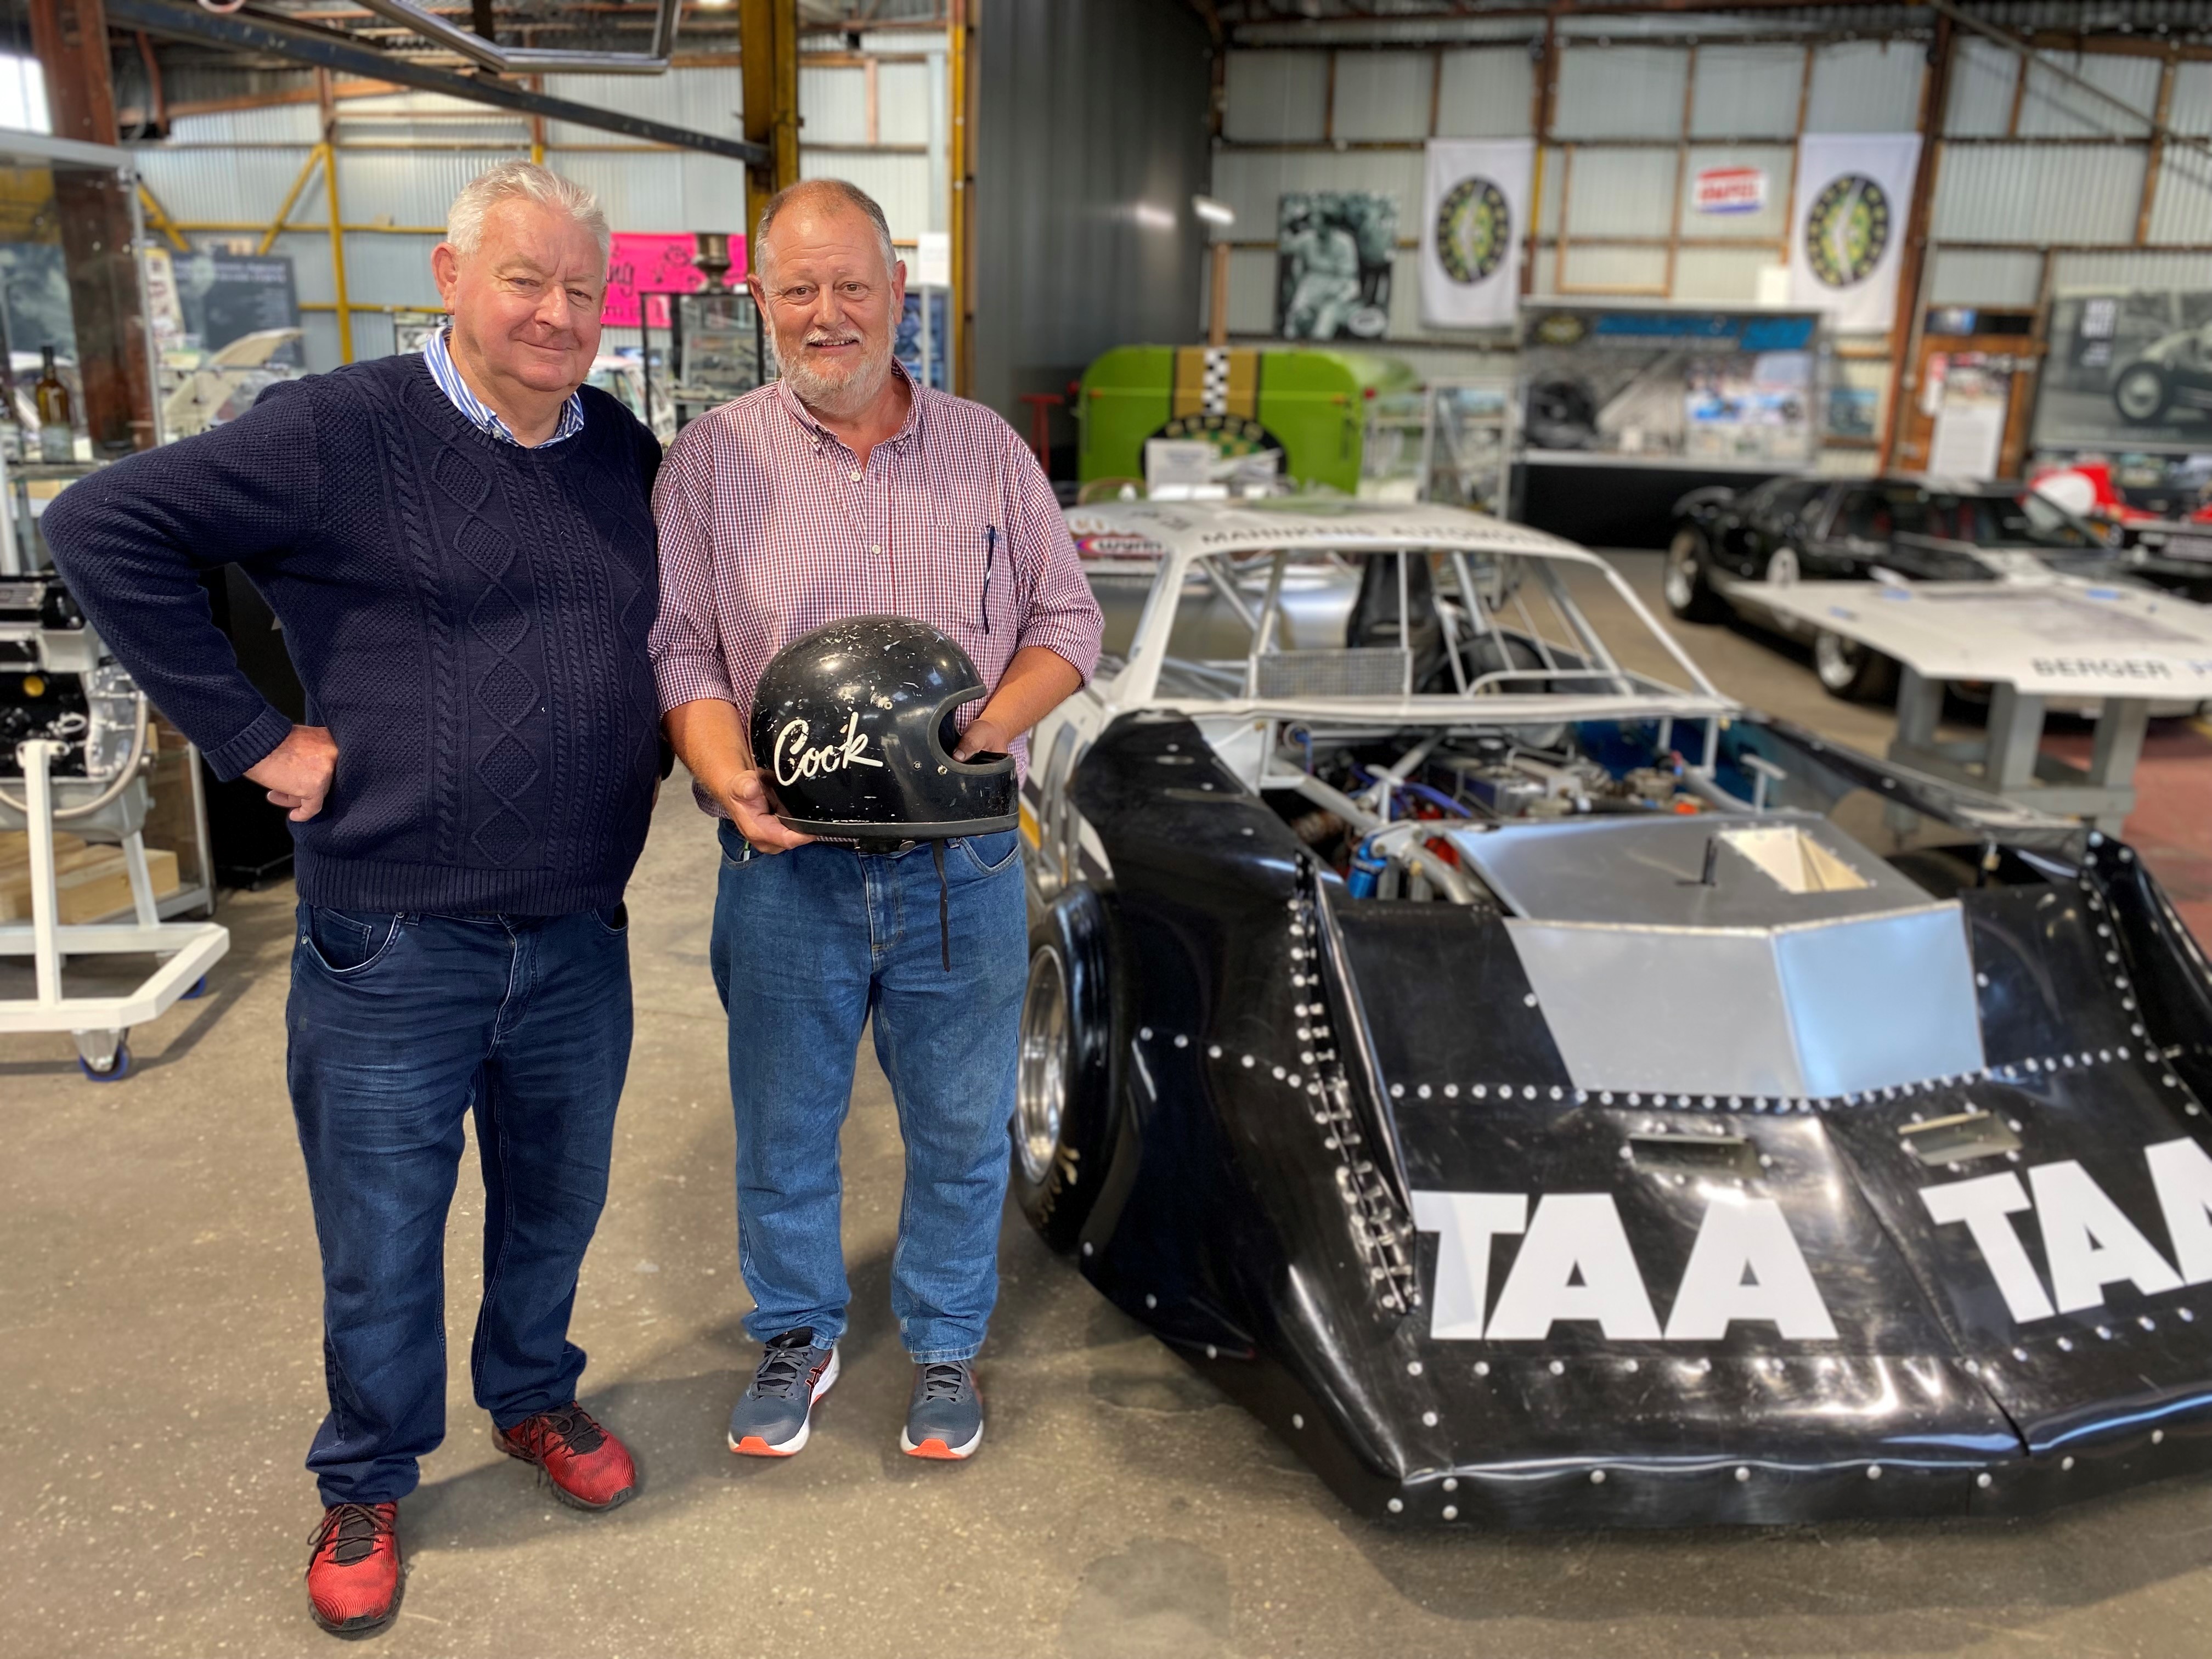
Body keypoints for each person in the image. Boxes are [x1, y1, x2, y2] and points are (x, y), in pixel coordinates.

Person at [42, 162, 663, 1638]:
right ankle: (369, 1474)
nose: (557, 312)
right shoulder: (336, 431)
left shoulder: (622, 449)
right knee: (383, 1232)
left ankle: (532, 1398)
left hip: (579, 923)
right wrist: (253, 735)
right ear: (448, 280)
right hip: (393, 931)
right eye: (525, 278)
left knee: (555, 1207)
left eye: (583, 287)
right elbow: (100, 526)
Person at [652, 178, 1101, 1464]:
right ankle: (799, 1332)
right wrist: (723, 762)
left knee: (961, 1128)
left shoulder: (989, 453)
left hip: (957, 864)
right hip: (785, 866)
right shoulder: (710, 459)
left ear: (899, 295)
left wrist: (991, 724)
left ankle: (948, 1342)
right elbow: (678, 639)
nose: (828, 313)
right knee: (784, 1124)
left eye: (854, 285)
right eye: (799, 288)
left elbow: (1068, 623)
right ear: (761, 302)